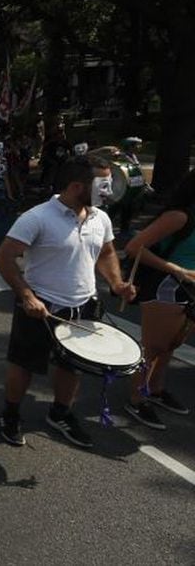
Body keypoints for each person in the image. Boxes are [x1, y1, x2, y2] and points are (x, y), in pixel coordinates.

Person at [0, 156, 136, 448]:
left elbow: (107, 253)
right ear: (76, 186)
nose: (108, 192)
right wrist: (27, 296)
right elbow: (4, 257)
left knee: (72, 365)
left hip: (82, 305)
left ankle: (60, 413)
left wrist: (117, 283)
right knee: (24, 364)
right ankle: (10, 414)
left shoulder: (101, 217)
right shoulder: (37, 218)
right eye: (103, 185)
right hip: (40, 307)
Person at [121, 170, 195, 429]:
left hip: (188, 290)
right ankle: (136, 397)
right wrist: (177, 270)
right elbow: (134, 247)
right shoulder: (179, 216)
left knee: (171, 345)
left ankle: (155, 389)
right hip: (166, 286)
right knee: (153, 347)